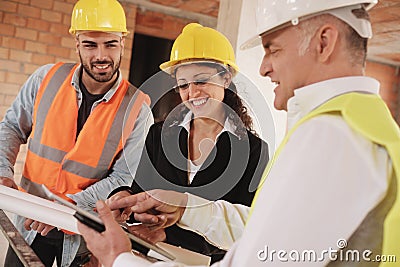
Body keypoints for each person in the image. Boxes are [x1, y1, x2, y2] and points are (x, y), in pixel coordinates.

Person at [78, 0, 400, 266]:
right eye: (183, 84)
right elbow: (263, 228)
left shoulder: (331, 137)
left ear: (324, 42)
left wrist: (120, 259)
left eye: (273, 49)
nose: (263, 68)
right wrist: (183, 208)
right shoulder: (357, 124)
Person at [0, 0, 153, 266]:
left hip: (86, 234)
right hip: (30, 224)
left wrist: (64, 205)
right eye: (90, 45)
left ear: (123, 42)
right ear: (77, 43)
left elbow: (124, 177)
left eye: (110, 44)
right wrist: (2, 171)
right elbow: (11, 127)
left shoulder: (138, 109)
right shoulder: (45, 79)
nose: (101, 56)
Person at [104, 23, 269, 263]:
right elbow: (141, 194)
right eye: (183, 85)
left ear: (226, 78)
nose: (192, 93)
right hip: (151, 260)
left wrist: (168, 234)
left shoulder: (254, 151)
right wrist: (123, 197)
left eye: (201, 81)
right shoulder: (159, 136)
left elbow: (244, 228)